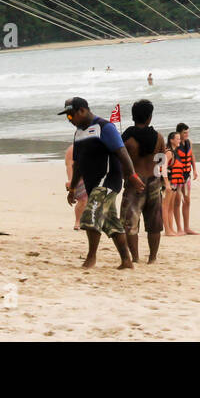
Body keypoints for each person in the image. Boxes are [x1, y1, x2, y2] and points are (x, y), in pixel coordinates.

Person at [64, 96, 143, 270]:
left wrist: (131, 175)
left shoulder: (105, 127)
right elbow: (78, 164)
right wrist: (73, 188)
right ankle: (126, 261)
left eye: (71, 116)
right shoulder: (78, 134)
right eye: (67, 117)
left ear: (82, 110)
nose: (69, 120)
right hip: (93, 183)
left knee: (90, 214)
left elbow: (122, 152)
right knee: (110, 222)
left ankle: (90, 258)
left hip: (108, 180)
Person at [120, 99, 167, 264]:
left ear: (134, 117)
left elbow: (120, 161)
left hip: (135, 183)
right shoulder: (159, 137)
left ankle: (135, 258)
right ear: (149, 118)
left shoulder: (126, 139)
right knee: (154, 224)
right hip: (154, 181)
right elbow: (161, 160)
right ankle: (152, 258)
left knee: (130, 224)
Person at [174, 122, 198, 234]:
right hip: (177, 176)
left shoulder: (189, 142)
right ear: (179, 133)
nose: (187, 134)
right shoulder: (175, 144)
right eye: (184, 132)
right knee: (177, 201)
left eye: (187, 132)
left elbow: (191, 155)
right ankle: (179, 228)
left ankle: (187, 228)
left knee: (187, 200)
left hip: (187, 175)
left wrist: (195, 170)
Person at [163, 131, 184, 235]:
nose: (179, 140)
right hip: (169, 183)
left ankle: (171, 229)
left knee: (170, 207)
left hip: (174, 182)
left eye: (179, 138)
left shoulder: (175, 151)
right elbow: (163, 168)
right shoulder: (169, 152)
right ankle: (167, 230)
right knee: (165, 206)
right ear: (171, 140)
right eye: (177, 138)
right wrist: (166, 183)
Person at [64, 143, 88, 230]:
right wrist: (70, 180)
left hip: (91, 177)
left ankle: (87, 221)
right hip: (77, 178)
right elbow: (69, 165)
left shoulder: (92, 145)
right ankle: (78, 221)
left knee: (91, 200)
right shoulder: (72, 148)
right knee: (82, 200)